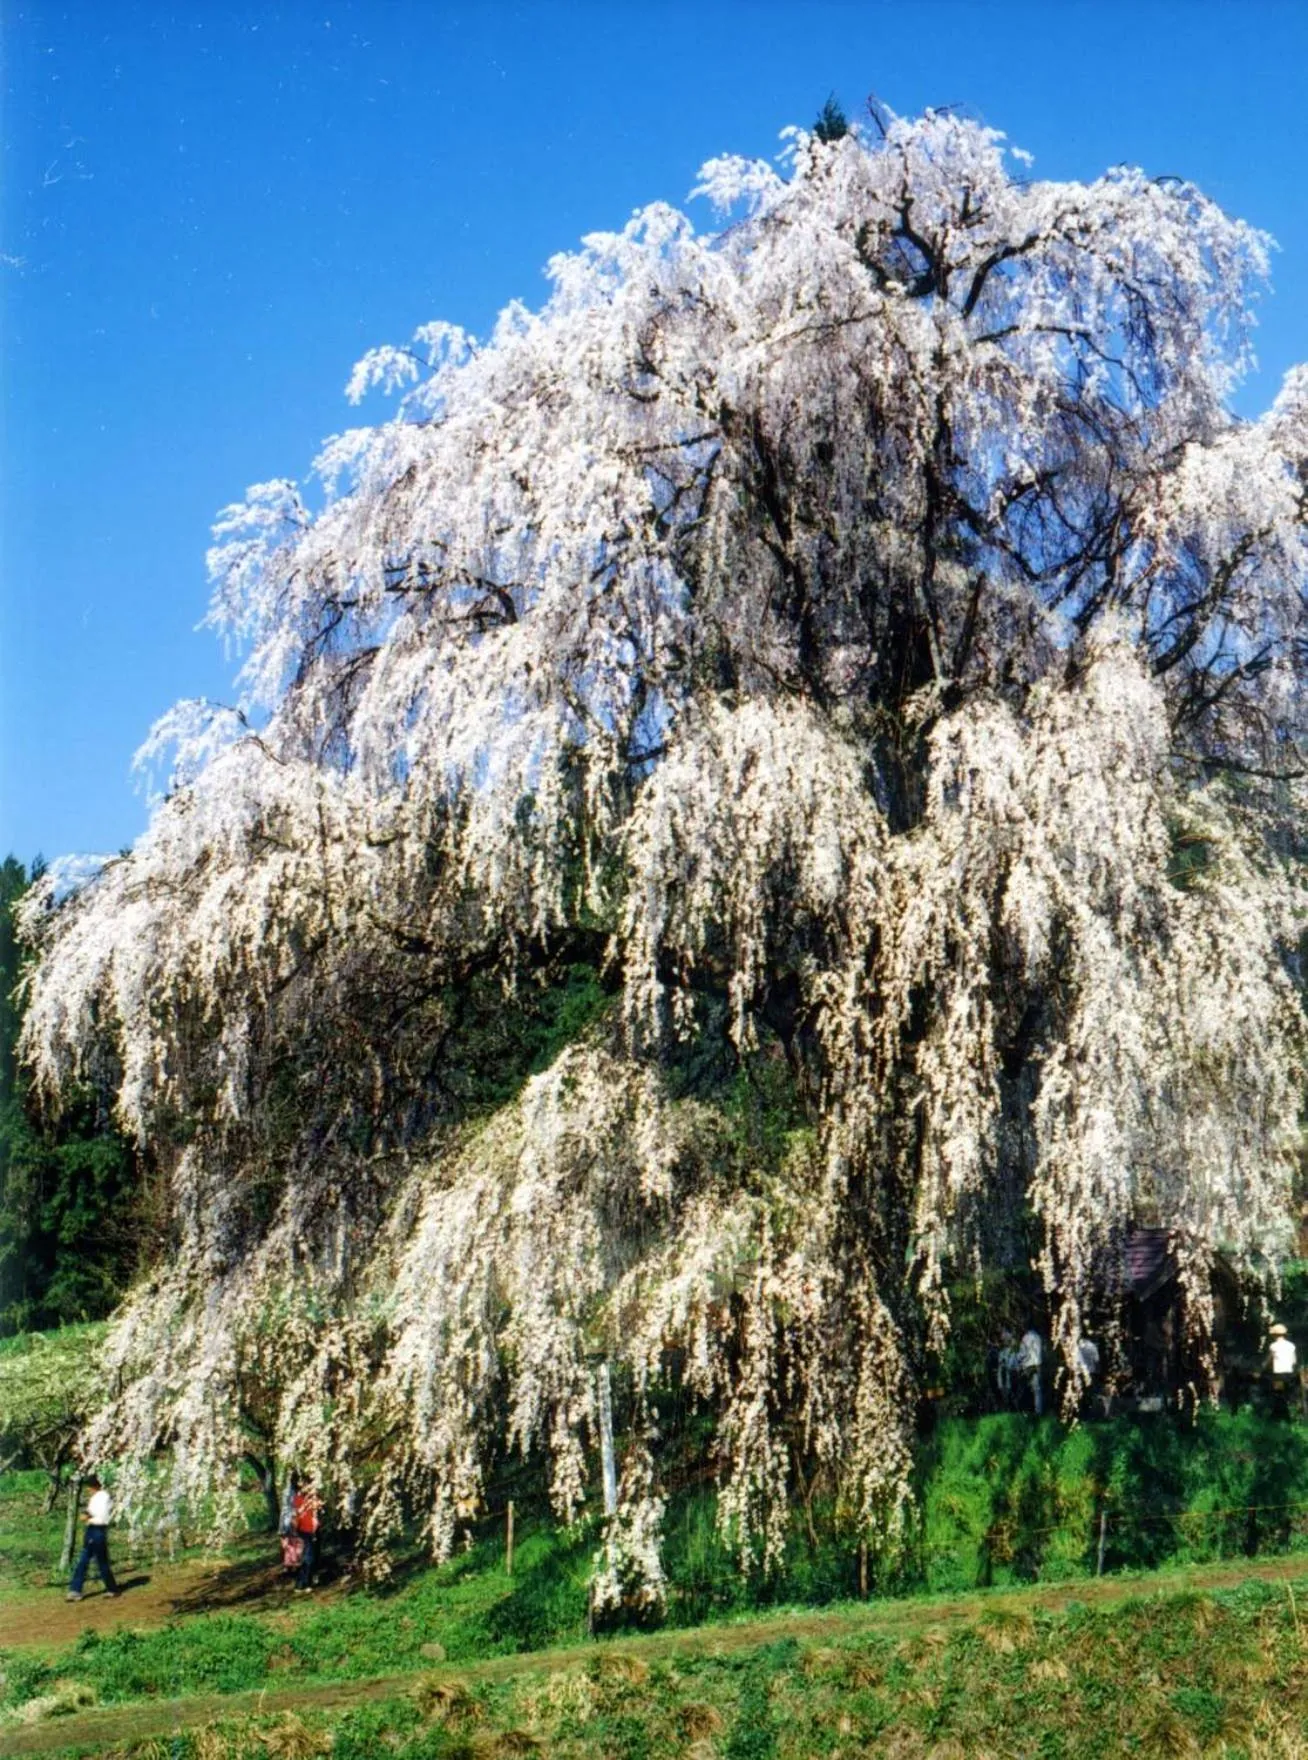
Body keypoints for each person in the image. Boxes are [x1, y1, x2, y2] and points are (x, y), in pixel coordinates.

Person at [66, 1474, 120, 1601]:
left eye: (90, 1486)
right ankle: (111, 1588)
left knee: (88, 1561)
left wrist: (85, 1516)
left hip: (97, 1530)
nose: (88, 1489)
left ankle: (76, 1590)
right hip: (94, 1530)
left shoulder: (101, 1496)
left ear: (95, 1485)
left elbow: (93, 1513)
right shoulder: (99, 1497)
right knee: (98, 1561)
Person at [291, 1481, 323, 1592]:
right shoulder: (298, 1498)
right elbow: (297, 1513)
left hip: (314, 1530)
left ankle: (306, 1582)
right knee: (308, 1557)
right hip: (304, 1530)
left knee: (312, 1556)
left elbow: (319, 1508)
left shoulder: (313, 1496)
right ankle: (302, 1583)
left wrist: (316, 1502)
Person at [1018, 1326, 1045, 1417]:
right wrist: (1038, 1365)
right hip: (1036, 1365)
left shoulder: (1025, 1337)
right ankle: (1038, 1412)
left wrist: (1020, 1361)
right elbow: (1039, 1353)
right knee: (1037, 1391)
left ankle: (1027, 1411)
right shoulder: (1037, 1337)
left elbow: (1022, 1353)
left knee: (1027, 1389)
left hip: (1027, 1366)